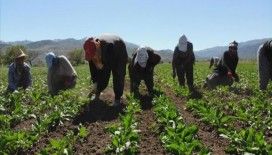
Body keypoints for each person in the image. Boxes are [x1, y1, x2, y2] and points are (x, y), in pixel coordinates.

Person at [83, 34, 128, 106]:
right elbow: (93, 71)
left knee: (118, 74)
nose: (93, 57)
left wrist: (100, 65)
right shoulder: (91, 52)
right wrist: (95, 84)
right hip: (105, 54)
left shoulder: (109, 48)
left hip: (119, 52)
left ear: (97, 48)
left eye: (94, 54)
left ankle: (118, 98)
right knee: (100, 75)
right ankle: (97, 93)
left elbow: (105, 73)